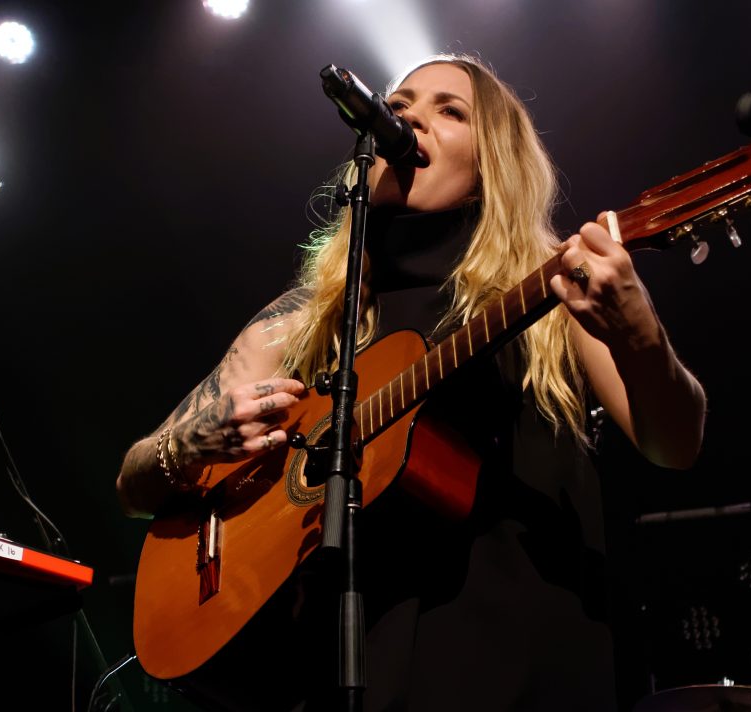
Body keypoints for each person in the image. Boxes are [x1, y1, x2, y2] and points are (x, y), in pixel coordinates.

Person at [116, 53, 706, 711]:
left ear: (492, 167)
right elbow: (133, 484)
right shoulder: (299, 324)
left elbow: (674, 444)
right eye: (398, 109)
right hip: (333, 674)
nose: (410, 122)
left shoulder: (552, 283)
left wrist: (639, 333)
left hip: (516, 662)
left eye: (449, 111)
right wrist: (194, 443)